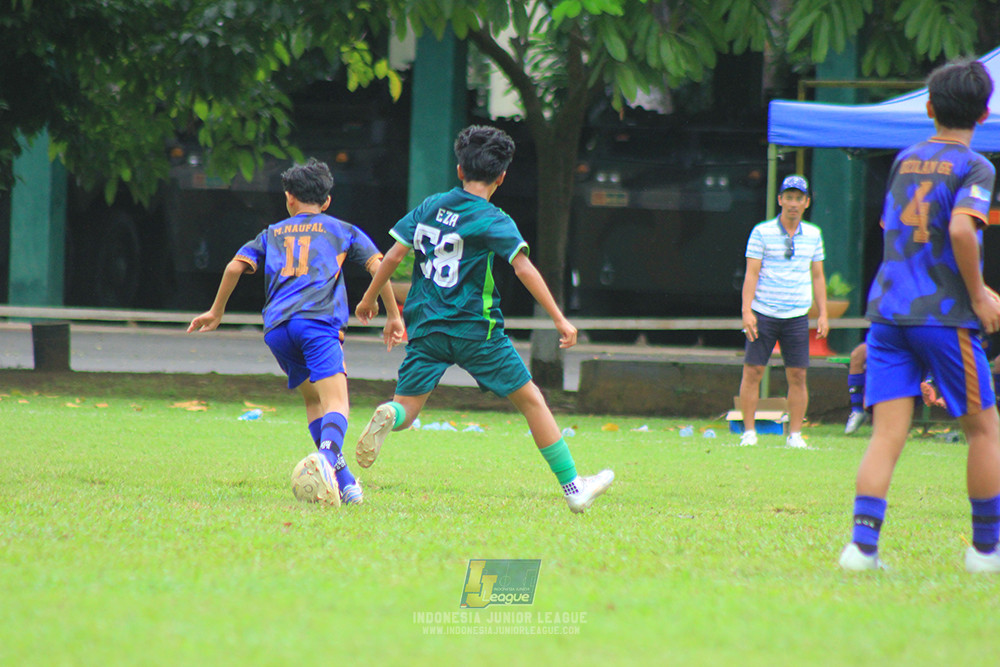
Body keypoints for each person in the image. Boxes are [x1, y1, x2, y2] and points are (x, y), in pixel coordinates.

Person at [353, 125, 613, 513]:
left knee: (406, 410)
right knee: (532, 402)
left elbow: (392, 256)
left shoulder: (430, 207)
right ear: (502, 177)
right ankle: (574, 488)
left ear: (459, 170)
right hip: (478, 330)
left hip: (426, 327)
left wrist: (370, 300)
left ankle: (390, 414)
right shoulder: (494, 219)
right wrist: (560, 318)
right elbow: (523, 269)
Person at [838, 59, 1000, 572]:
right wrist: (978, 294)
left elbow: (898, 229)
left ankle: (861, 550)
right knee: (985, 430)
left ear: (929, 109)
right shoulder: (976, 166)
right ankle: (986, 550)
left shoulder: (905, 159)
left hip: (888, 315)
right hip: (943, 314)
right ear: (985, 113)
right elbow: (957, 230)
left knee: (888, 433)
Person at [187, 158, 403, 507]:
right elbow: (379, 265)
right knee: (337, 403)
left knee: (314, 400)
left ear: (288, 198)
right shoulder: (341, 229)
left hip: (277, 329)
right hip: (317, 323)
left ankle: (345, 485)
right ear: (327, 201)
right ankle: (327, 461)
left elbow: (233, 266)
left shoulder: (272, 233)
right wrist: (391, 314)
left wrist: (216, 312)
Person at [738, 174, 829, 448]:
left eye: (798, 198)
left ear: (806, 202)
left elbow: (818, 277)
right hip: (764, 310)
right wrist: (747, 311)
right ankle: (749, 432)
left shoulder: (813, 234)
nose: (792, 203)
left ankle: (795, 434)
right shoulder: (761, 232)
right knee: (753, 371)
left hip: (796, 314)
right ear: (779, 200)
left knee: (798, 374)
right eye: (788, 197)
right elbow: (751, 274)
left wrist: (823, 313)